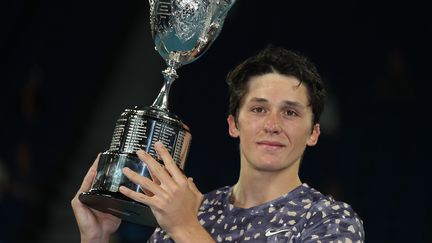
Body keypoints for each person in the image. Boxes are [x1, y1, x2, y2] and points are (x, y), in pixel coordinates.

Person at [72, 46, 365, 243]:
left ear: (313, 133)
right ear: (233, 124)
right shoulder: (190, 210)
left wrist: (185, 228)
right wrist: (96, 239)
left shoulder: (331, 220)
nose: (272, 125)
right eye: (258, 109)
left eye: (290, 112)